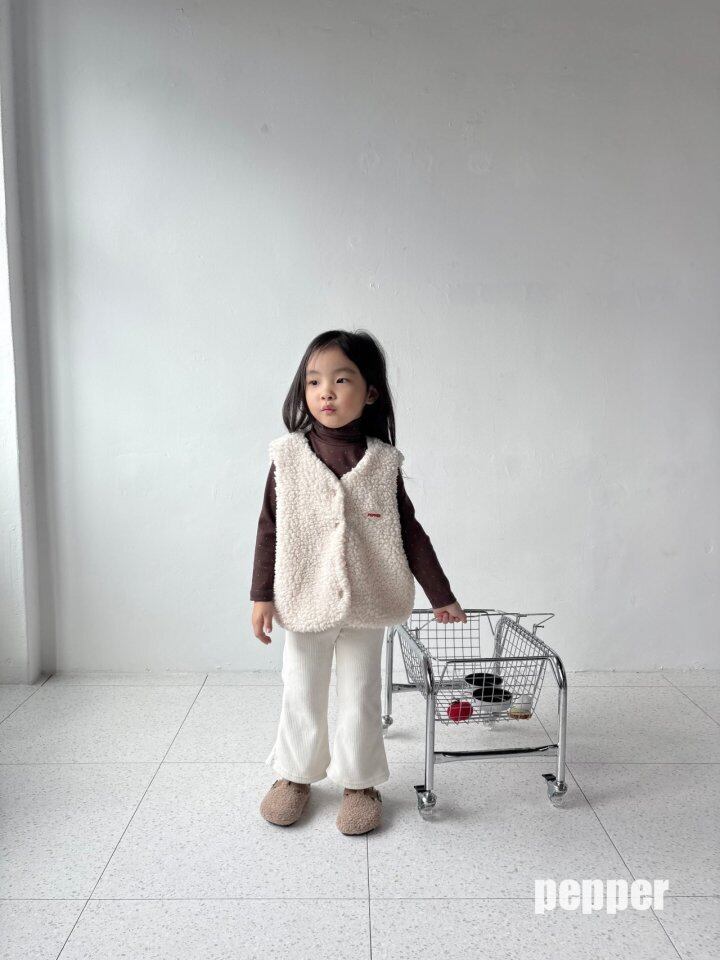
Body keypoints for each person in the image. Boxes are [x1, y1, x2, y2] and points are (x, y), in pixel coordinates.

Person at [251, 329, 466, 835]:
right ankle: (294, 775)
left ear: (369, 393)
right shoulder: (287, 457)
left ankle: (360, 782)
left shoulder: (383, 463)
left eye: (341, 380)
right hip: (304, 597)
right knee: (301, 689)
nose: (325, 391)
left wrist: (442, 595)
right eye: (313, 381)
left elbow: (409, 532)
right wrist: (261, 595)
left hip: (368, 602)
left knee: (360, 693)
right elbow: (268, 528)